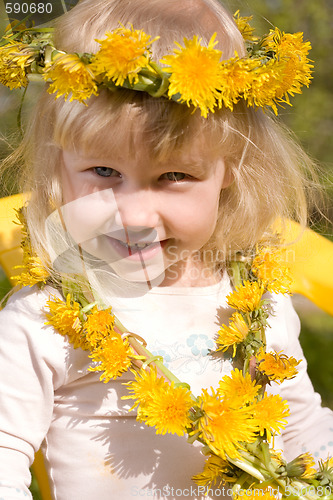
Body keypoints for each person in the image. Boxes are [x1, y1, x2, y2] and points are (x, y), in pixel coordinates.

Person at [0, 0, 332, 499]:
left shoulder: (257, 301)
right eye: (104, 172)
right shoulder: (46, 316)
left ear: (231, 167)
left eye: (173, 176)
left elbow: (302, 430)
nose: (132, 215)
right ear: (59, 165)